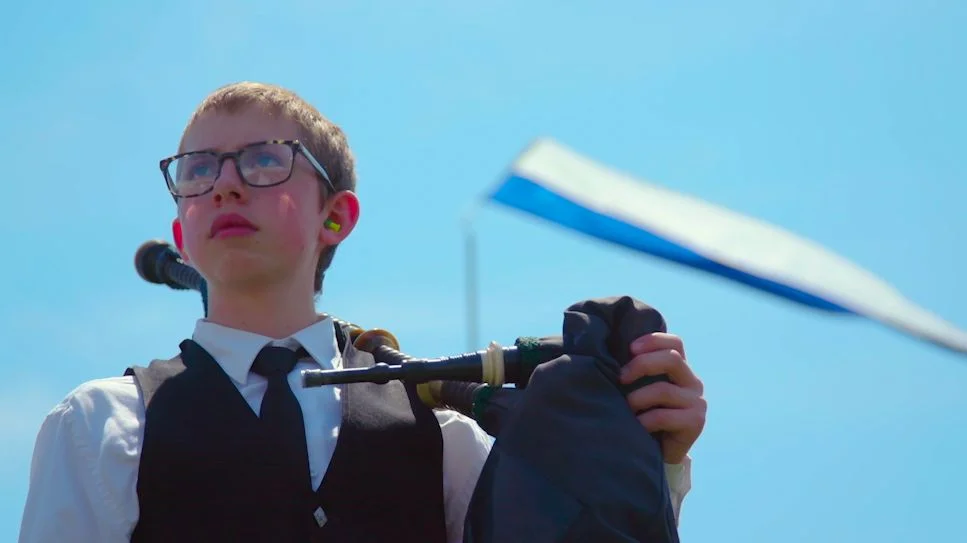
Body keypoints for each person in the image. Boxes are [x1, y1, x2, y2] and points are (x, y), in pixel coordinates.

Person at [18, 82, 707, 542]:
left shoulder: (441, 436)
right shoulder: (99, 425)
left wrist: (655, 455)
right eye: (198, 169)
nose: (225, 184)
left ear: (336, 216)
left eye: (263, 160)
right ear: (181, 233)